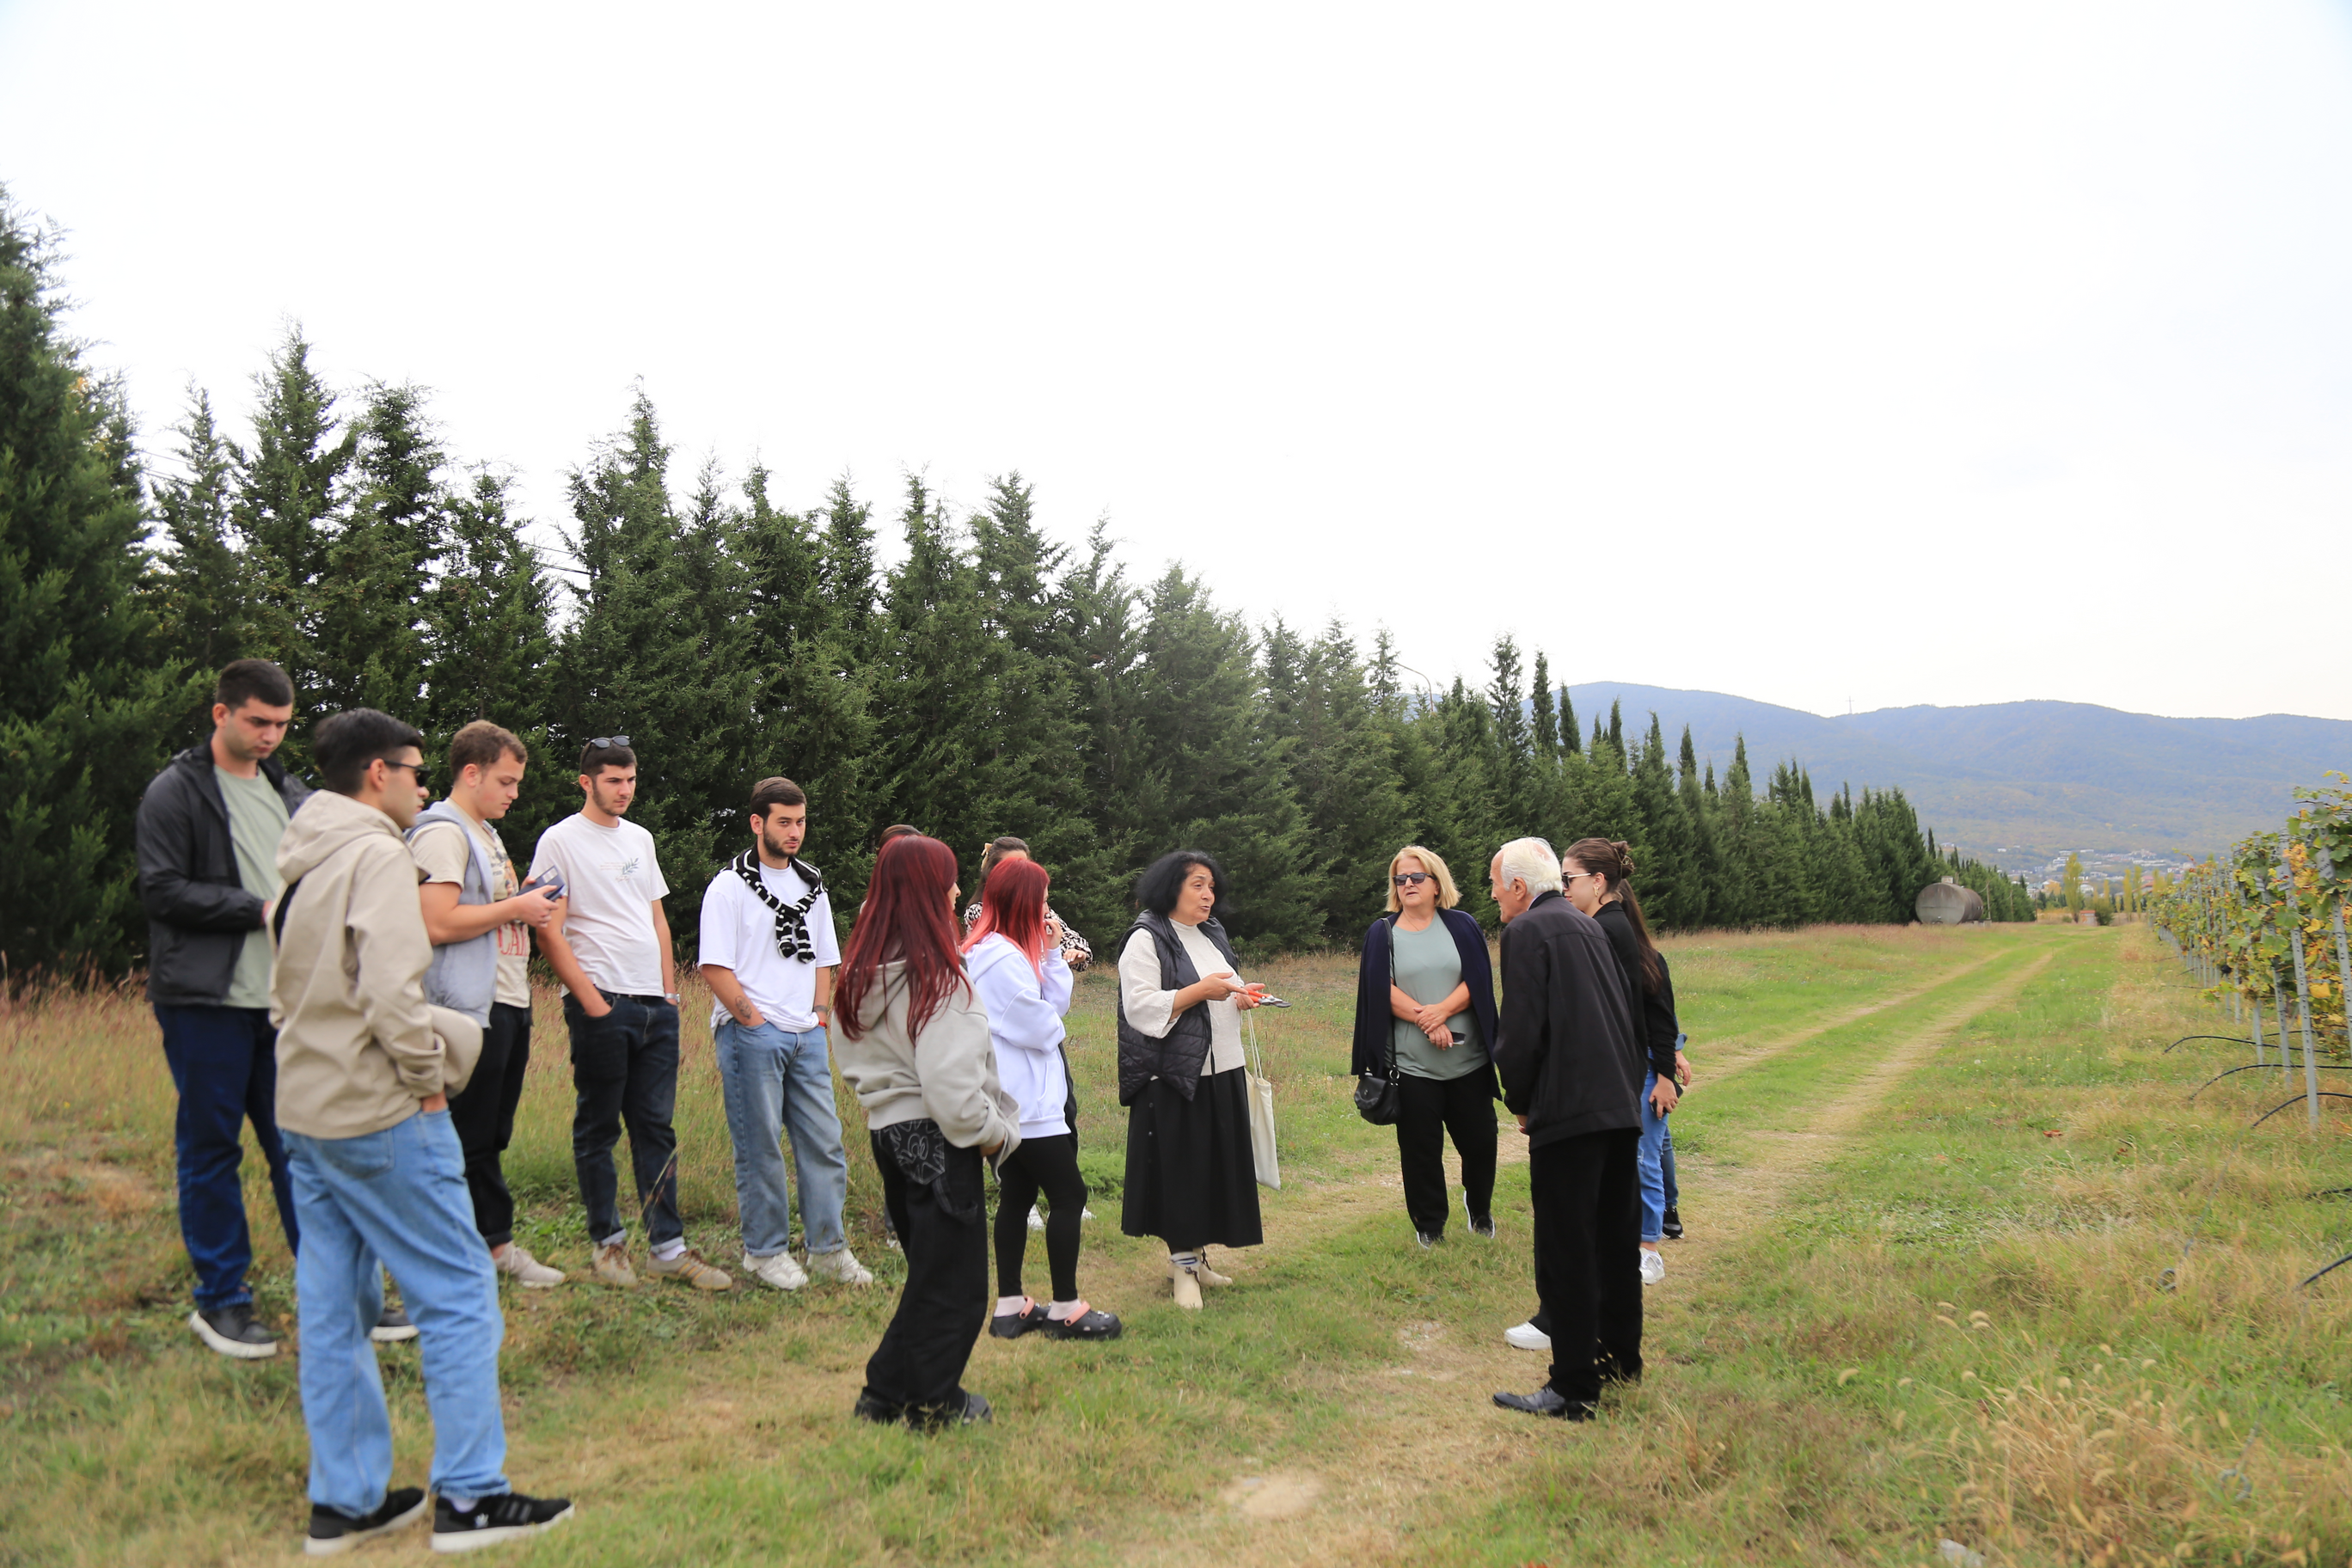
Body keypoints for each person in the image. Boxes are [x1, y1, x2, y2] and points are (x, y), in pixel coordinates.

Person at [272, 708, 570, 1554]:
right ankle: (473, 1497)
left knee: (335, 1309)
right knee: (458, 1295)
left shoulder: (302, 857)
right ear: (377, 774)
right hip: (381, 1109)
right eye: (411, 768)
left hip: (306, 1109)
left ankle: (348, 1501)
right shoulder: (374, 856)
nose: (420, 781)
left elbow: (286, 987)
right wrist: (428, 1085)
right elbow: (394, 994)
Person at [134, 658, 316, 1358]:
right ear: (222, 714)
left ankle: (333, 1290)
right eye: (257, 722)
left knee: (298, 1149)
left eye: (281, 725)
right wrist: (260, 908)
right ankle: (222, 1302)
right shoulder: (174, 792)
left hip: (283, 1006)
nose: (270, 736)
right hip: (204, 1001)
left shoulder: (288, 790)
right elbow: (162, 892)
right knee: (211, 1149)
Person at [834, 835, 1022, 1428]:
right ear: (926, 891)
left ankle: (882, 1397)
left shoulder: (862, 973)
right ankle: (935, 1404)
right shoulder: (937, 980)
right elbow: (952, 1097)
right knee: (957, 1289)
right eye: (949, 879)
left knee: (929, 1280)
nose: (957, 890)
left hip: (890, 1137)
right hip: (942, 1141)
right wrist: (995, 1136)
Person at [528, 738, 730, 1291]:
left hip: (653, 1006)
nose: (625, 790)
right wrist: (590, 1000)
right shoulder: (560, 840)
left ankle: (667, 1248)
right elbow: (547, 925)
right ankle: (608, 1245)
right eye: (613, 780)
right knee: (598, 1129)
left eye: (631, 780)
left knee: (655, 1129)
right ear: (586, 782)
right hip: (602, 1001)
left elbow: (657, 919)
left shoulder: (641, 838)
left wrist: (668, 992)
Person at [1486, 836, 1645, 1423]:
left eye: (1497, 884)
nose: (1494, 896)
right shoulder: (1590, 926)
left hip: (1570, 1112)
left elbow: (1523, 1029)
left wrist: (1521, 1100)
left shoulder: (1527, 932)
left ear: (1520, 888)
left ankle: (1573, 1386)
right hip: (1616, 1107)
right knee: (1612, 1242)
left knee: (1566, 1249)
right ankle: (1620, 1361)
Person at [698, 776, 873, 1292]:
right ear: (757, 823)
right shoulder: (728, 886)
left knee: (824, 1142)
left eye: (800, 822)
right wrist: (753, 1019)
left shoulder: (811, 886)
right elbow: (714, 965)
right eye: (784, 822)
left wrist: (819, 1014)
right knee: (760, 1148)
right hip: (753, 1035)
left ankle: (828, 1250)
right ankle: (765, 1252)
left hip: (807, 1034)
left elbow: (825, 958)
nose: (795, 832)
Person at [408, 720, 566, 1289]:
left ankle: (484, 1248)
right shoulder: (442, 832)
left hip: (505, 998)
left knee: (489, 1132)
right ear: (470, 773)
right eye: (506, 780)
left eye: (518, 782)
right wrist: (515, 909)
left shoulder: (484, 831)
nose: (515, 793)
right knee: (465, 1135)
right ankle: (474, 1252)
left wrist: (521, 901)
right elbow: (435, 921)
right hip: (466, 1006)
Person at [965, 856, 1120, 1341]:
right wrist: (1053, 1024)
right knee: (1069, 1195)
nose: (1048, 909)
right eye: (1043, 900)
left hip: (1014, 1099)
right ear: (1023, 902)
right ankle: (1066, 1309)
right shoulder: (999, 958)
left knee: (1017, 1194)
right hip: (1026, 1104)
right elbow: (1041, 1026)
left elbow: (1051, 1007)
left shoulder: (1001, 949)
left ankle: (1011, 1305)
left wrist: (1052, 956)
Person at [1115, 850, 1266, 1311]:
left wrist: (1242, 996)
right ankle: (1181, 1267)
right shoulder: (1146, 937)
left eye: (1211, 886)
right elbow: (1139, 1007)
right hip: (1176, 1076)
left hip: (1223, 1068)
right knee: (1181, 1171)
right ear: (1171, 889)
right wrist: (1202, 991)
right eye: (1197, 885)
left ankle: (1197, 1259)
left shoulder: (1211, 933)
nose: (1208, 895)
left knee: (1211, 1168)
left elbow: (1227, 985)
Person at [1351, 846, 1501, 1248]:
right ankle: (1429, 1226)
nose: (1408, 885)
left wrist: (1442, 1012)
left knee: (1481, 1143)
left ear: (1437, 884)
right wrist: (1424, 1018)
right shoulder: (1382, 933)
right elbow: (1379, 989)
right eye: (1400, 879)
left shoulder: (1463, 925)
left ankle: (1480, 1206)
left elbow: (1478, 980)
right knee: (1421, 1150)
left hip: (1468, 1060)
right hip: (1411, 1066)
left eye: (1417, 878)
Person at [1559, 838, 1685, 1285]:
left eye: (1568, 880)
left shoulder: (1609, 932)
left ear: (1598, 882)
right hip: (1626, 1066)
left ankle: (1648, 1248)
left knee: (1642, 1156)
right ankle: (1625, 1238)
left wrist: (1664, 1073)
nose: (1563, 890)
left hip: (1631, 1068)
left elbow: (1643, 1016)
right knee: (1632, 1156)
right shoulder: (1604, 926)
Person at [962, 836, 1093, 972]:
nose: (1021, 871)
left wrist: (1074, 951)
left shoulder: (1037, 907)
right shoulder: (979, 912)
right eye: (1011, 866)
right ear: (994, 872)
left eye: (1023, 864)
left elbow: (1066, 935)